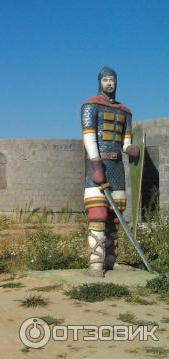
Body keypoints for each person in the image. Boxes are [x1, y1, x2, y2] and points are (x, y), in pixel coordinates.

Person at [81, 66, 139, 277]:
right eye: (106, 80)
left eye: (112, 80)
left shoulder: (125, 111)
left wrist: (131, 149)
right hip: (98, 165)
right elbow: (89, 137)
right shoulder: (90, 105)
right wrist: (96, 166)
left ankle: (111, 261)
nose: (109, 84)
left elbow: (125, 141)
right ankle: (95, 263)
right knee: (98, 213)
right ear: (100, 82)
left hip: (117, 169)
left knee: (115, 217)